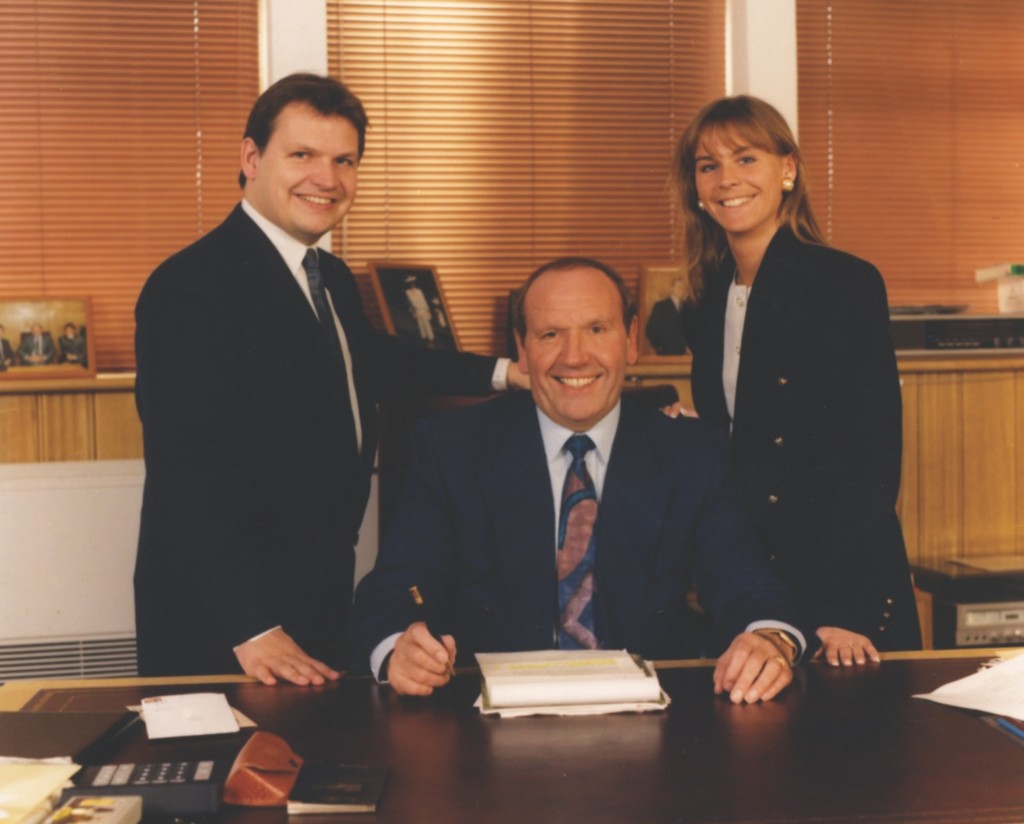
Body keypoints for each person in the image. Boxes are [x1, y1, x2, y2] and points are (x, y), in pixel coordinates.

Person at [134, 73, 526, 687]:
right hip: (229, 628)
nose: (327, 178)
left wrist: (507, 372)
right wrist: (251, 628)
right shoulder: (192, 288)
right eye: (303, 156)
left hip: (316, 599)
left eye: (344, 160)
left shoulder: (329, 277)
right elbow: (187, 475)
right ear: (250, 158)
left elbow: (377, 361)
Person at [351, 257, 808, 705]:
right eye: (550, 334)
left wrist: (769, 639)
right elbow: (392, 589)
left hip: (657, 725)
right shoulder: (451, 449)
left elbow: (748, 585)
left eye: (596, 329)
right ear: (523, 348)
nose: (574, 357)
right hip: (489, 725)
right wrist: (396, 650)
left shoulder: (691, 453)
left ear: (629, 340)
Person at [670, 95, 921, 666]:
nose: (727, 179)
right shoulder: (706, 298)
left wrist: (844, 610)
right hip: (753, 579)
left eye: (746, 159)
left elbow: (871, 460)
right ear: (695, 189)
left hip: (836, 585)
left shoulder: (843, 282)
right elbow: (748, 434)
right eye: (708, 166)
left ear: (787, 170)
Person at [644, 275, 690, 355]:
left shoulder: (688, 307)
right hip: (665, 353)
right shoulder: (661, 306)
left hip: (684, 354)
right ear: (672, 288)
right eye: (678, 287)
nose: (680, 289)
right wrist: (659, 347)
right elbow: (650, 328)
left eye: (682, 287)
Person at [404, 277, 434, 342]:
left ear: (414, 283)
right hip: (416, 310)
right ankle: (424, 337)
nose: (411, 284)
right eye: (410, 283)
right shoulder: (407, 292)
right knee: (420, 324)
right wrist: (412, 312)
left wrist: (427, 310)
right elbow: (409, 303)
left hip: (422, 308)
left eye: (412, 282)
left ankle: (431, 337)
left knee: (426, 322)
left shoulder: (419, 291)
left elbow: (423, 300)